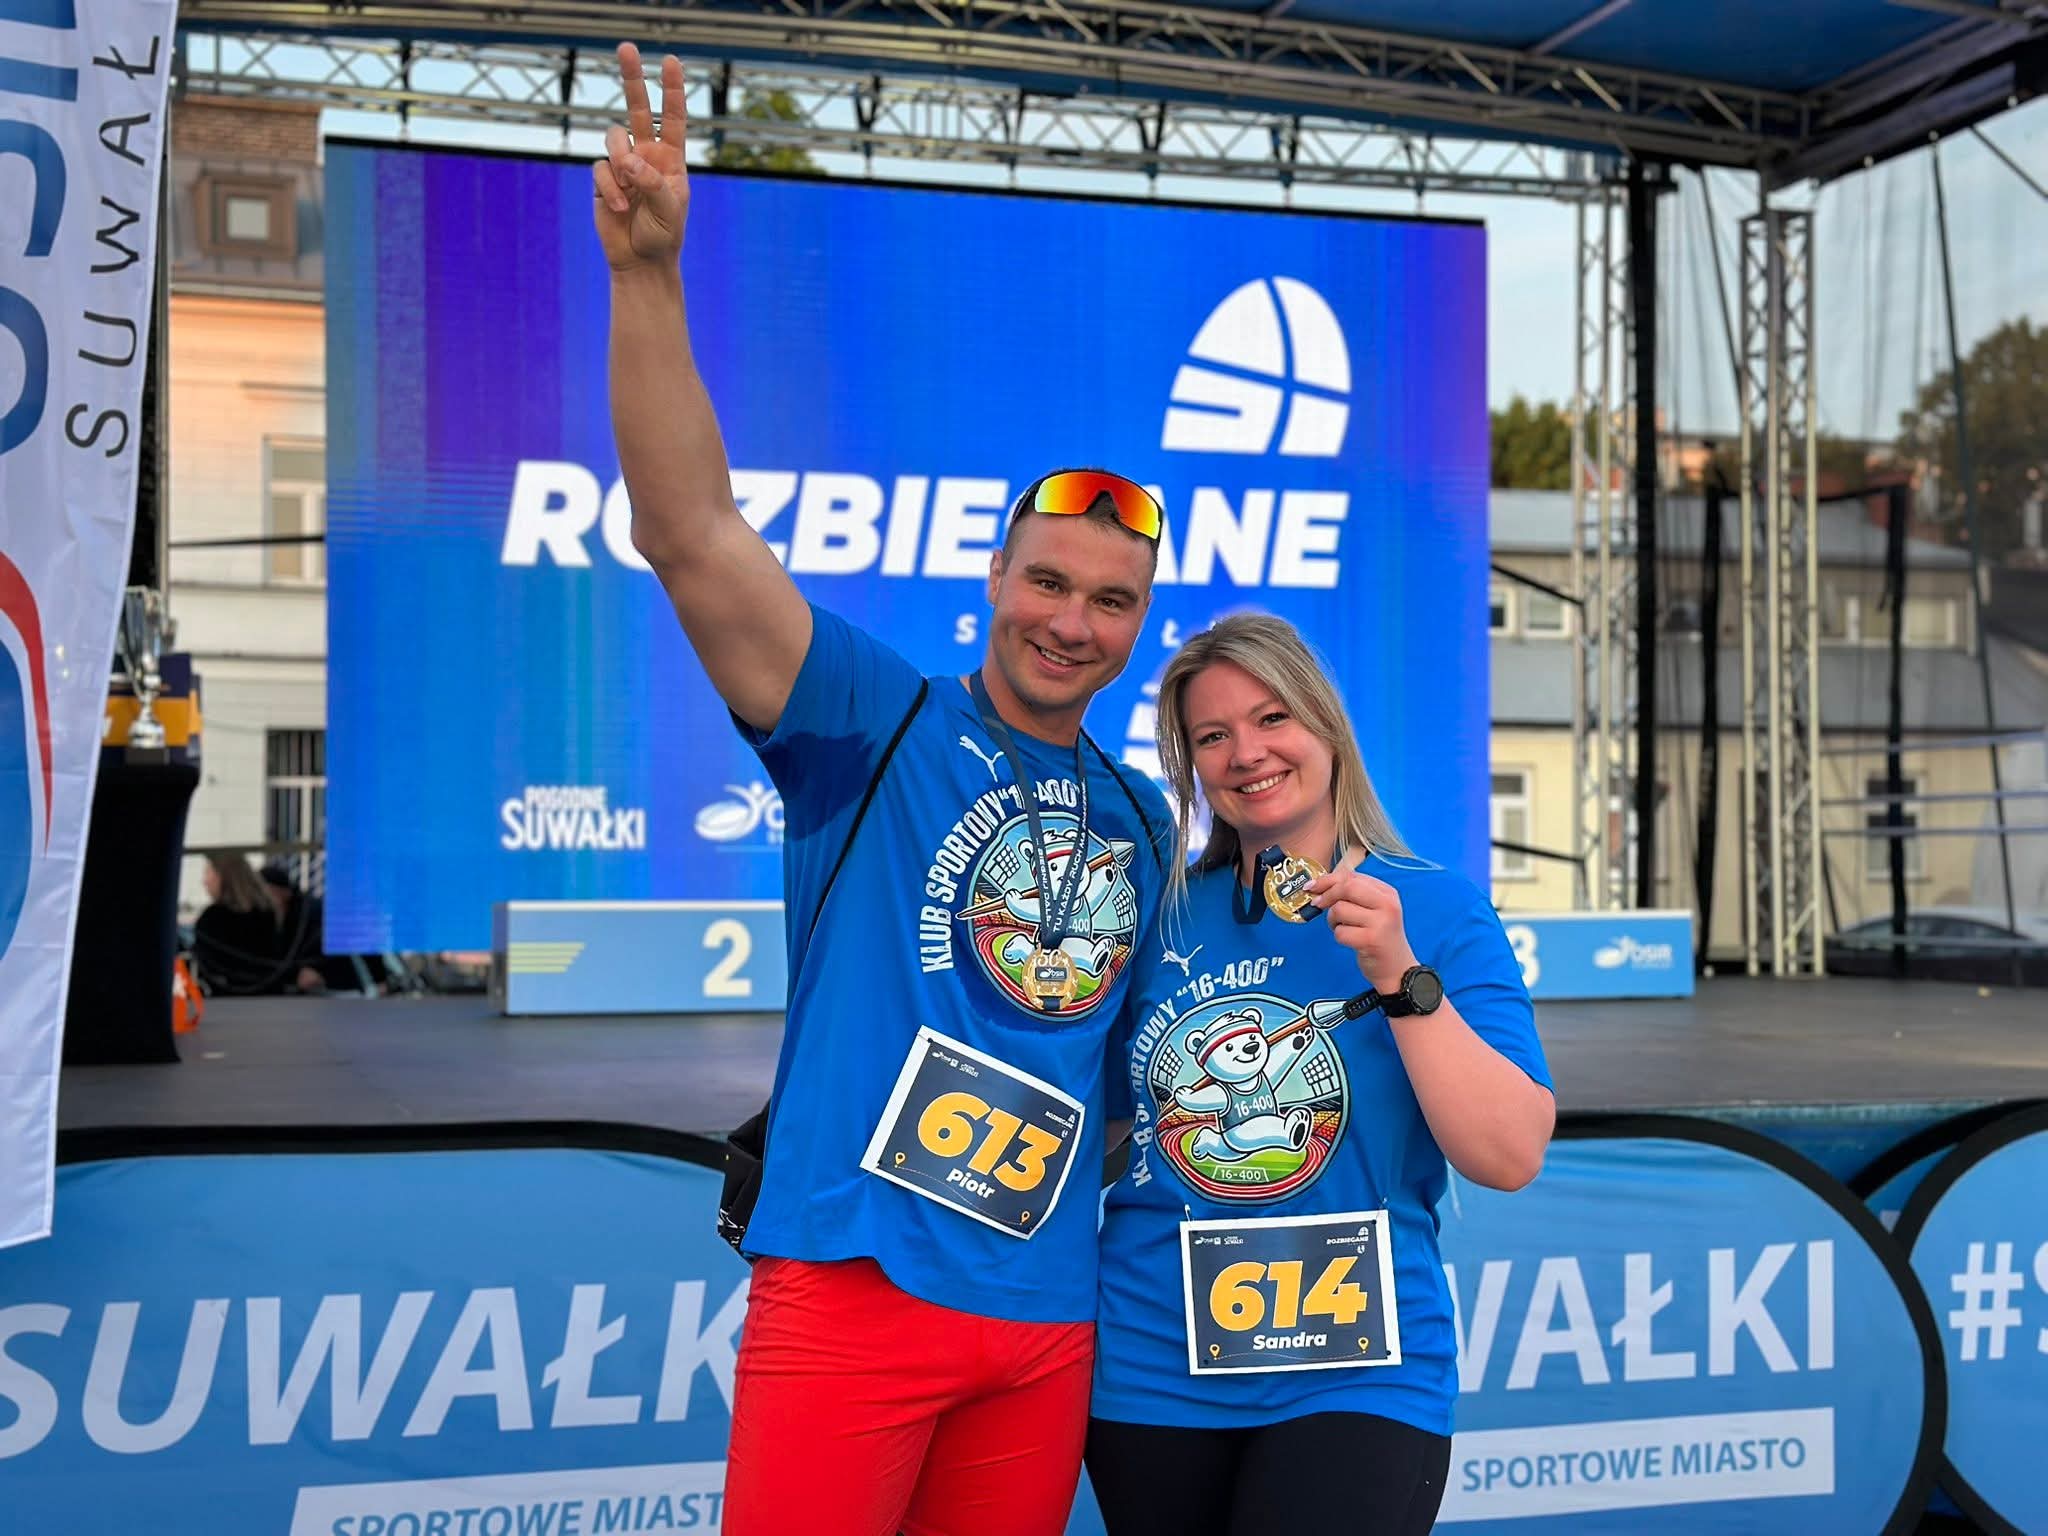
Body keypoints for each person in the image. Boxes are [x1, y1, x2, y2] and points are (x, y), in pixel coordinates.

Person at [592, 44, 1173, 1536]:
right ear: (994, 578)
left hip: (1043, 1324)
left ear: (1138, 625)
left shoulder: (1141, 820)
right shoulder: (876, 717)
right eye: (1048, 581)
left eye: (1111, 600)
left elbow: (1132, 1080)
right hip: (854, 1295)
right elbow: (690, 531)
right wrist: (648, 278)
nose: (1071, 621)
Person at [1086, 613, 1555, 1536]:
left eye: (1272, 718)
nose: (1246, 753)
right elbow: (1100, 1136)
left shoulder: (1436, 908)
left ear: (1326, 726)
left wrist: (1399, 977)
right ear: (1189, 765)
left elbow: (1507, 1156)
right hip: (1151, 1371)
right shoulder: (1156, 915)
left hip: (1360, 1375)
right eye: (1211, 736)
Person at [190, 853, 291, 996]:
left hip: (226, 999)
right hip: (271, 997)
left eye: (208, 873)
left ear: (223, 877)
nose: (204, 881)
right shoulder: (270, 913)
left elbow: (205, 967)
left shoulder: (212, 918)